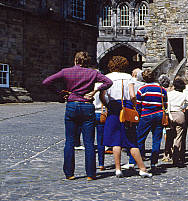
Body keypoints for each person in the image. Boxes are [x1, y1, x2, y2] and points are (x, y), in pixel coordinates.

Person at [42, 51, 113, 180]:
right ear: (87, 62)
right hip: (87, 105)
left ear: (75, 60)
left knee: (70, 141)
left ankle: (69, 173)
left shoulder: (66, 71)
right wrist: (95, 90)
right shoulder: (93, 73)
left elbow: (46, 82)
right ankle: (91, 174)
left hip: (72, 104)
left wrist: (60, 93)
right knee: (89, 142)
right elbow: (108, 82)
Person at [101, 56, 152, 178]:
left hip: (113, 107)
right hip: (127, 107)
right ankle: (142, 168)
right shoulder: (129, 78)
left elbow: (102, 96)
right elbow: (132, 95)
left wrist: (107, 105)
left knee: (115, 140)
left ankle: (118, 169)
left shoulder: (107, 78)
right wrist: (134, 107)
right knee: (132, 140)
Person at [135, 69, 168, 170]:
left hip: (146, 115)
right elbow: (165, 105)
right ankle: (154, 162)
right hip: (158, 115)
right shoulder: (162, 90)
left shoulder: (142, 90)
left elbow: (138, 105)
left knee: (140, 139)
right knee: (156, 140)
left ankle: (139, 161)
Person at [165, 77, 188, 165]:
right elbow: (186, 105)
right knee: (178, 137)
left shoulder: (169, 94)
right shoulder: (183, 95)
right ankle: (176, 156)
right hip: (179, 114)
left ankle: (168, 154)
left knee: (169, 135)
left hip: (171, 114)